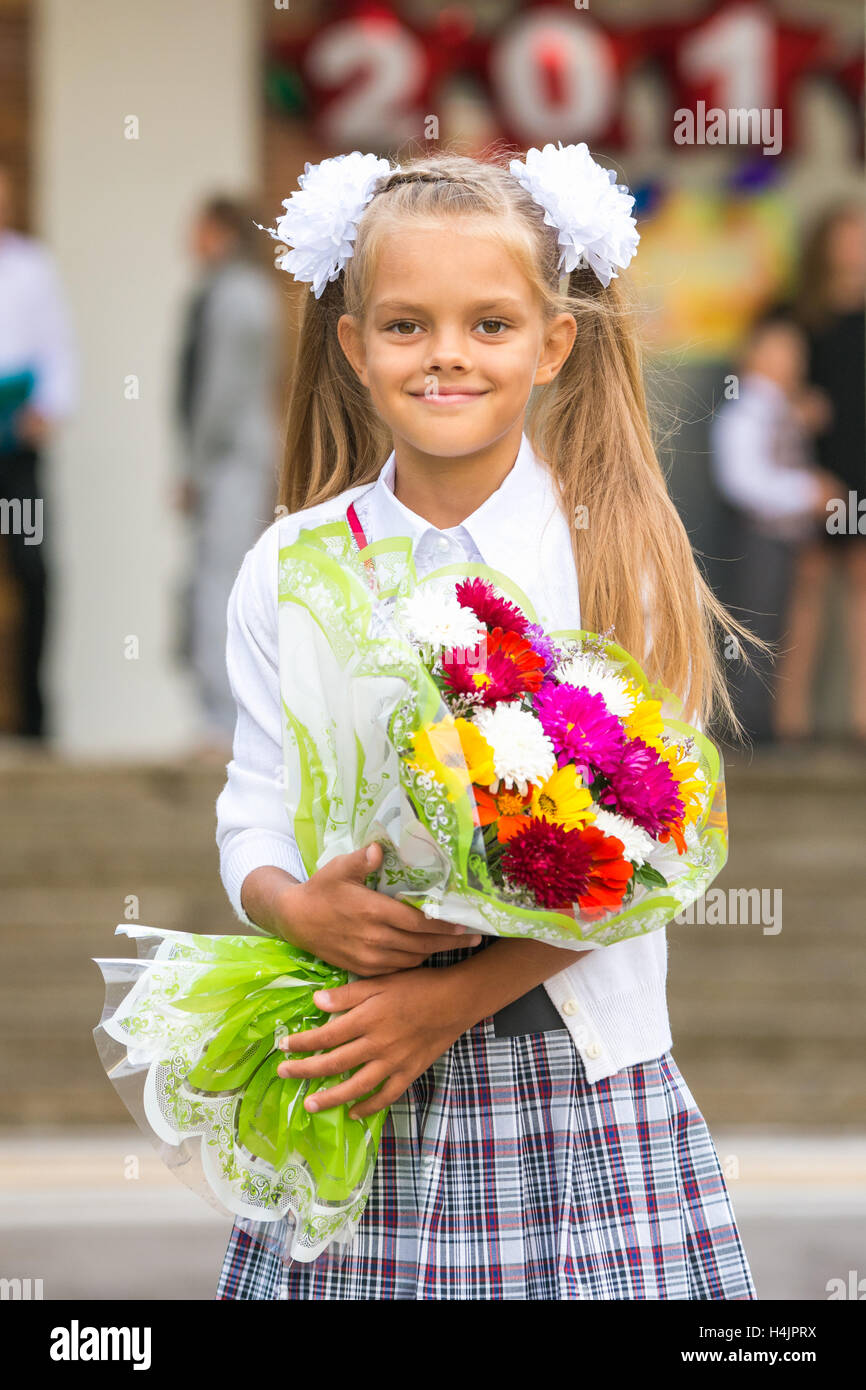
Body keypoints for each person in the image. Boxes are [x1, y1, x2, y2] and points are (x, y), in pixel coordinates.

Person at [214, 147, 758, 1300]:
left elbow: (651, 849)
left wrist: (446, 999)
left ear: (552, 342)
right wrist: (295, 901)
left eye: (490, 323)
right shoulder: (292, 566)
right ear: (353, 344)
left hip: (578, 1087)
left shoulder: (611, 554)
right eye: (405, 325)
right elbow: (252, 802)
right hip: (359, 1074)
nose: (447, 354)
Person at [172, 194, 281, 758]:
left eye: (196, 226)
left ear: (218, 230)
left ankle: (223, 718)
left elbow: (221, 392)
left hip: (231, 459)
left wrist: (194, 465)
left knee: (221, 581)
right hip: (228, 458)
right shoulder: (228, 293)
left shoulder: (238, 297)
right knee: (212, 577)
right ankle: (219, 714)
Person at [710, 308, 840, 745]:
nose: (792, 360)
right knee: (754, 629)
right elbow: (743, 481)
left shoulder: (781, 408)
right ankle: (748, 724)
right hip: (757, 541)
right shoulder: (749, 408)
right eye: (781, 349)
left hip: (783, 542)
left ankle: (767, 721)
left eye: (795, 351)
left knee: (778, 629)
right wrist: (807, 492)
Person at [776, 204, 866, 744]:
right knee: (806, 583)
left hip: (861, 465)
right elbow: (758, 384)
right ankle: (791, 719)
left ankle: (861, 716)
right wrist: (793, 405)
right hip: (811, 471)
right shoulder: (795, 316)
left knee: (860, 581)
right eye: (845, 238)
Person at [0, 162, 76, 738]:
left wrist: (45, 409)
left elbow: (56, 347)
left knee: (31, 566)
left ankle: (32, 716)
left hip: (15, 457)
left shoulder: (31, 266)